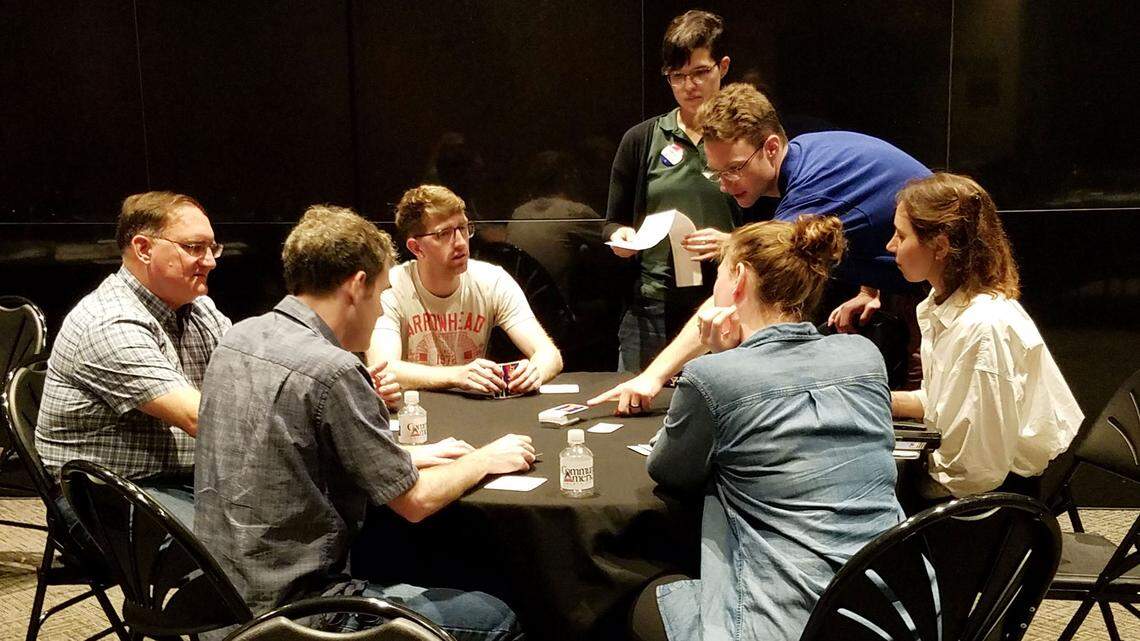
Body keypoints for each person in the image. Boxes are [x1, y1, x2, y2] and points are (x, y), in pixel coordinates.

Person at [195, 205, 530, 640]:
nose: (379, 313)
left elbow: (288, 448)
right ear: (356, 286)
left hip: (219, 600)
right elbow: (415, 502)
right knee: (495, 616)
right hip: (300, 613)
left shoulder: (237, 338)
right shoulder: (332, 370)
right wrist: (486, 458)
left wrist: (408, 454)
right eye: (381, 295)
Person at [632, 215, 903, 641]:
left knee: (644, 599)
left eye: (718, 275)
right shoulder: (865, 356)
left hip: (784, 625)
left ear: (738, 277)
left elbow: (670, 471)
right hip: (897, 615)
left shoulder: (712, 376)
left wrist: (719, 359)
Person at [590, 82, 930, 414]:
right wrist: (870, 287)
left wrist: (653, 377)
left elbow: (732, 297)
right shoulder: (808, 152)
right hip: (913, 291)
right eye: (716, 172)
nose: (725, 185)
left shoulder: (812, 193)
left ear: (770, 147)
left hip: (947, 295)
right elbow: (873, 205)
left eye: (735, 169)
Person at [36, 191, 229, 527]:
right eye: (195, 247)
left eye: (212, 248)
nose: (210, 260)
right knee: (248, 538)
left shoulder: (200, 309)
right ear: (144, 248)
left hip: (172, 482)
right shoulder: (109, 322)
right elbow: (203, 420)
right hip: (106, 499)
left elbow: (252, 379)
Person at [887, 173, 1083, 500]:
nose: (890, 245)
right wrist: (878, 401)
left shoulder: (982, 328)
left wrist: (897, 484)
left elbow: (974, 475)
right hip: (972, 489)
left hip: (987, 512)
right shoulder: (947, 308)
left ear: (940, 246)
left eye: (900, 235)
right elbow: (942, 404)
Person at [605, 10, 739, 372]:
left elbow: (776, 227)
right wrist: (620, 236)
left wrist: (732, 241)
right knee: (635, 403)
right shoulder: (642, 138)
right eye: (676, 76)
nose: (688, 86)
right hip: (650, 303)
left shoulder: (745, 138)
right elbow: (613, 220)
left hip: (725, 301)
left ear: (723, 67)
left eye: (699, 72)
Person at [367, 185, 562, 395]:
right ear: (416, 248)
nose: (460, 242)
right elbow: (384, 368)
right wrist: (457, 376)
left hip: (473, 413)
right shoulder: (391, 286)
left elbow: (549, 354)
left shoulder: (492, 280)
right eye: (444, 234)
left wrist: (535, 372)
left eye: (463, 228)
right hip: (415, 412)